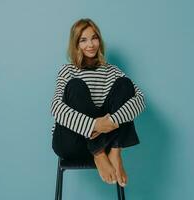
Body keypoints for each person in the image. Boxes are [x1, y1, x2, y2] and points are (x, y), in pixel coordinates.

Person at [50, 18, 145, 187]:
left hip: (106, 137)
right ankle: (99, 153)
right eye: (83, 40)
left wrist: (111, 122)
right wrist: (94, 125)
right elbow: (56, 108)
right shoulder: (67, 70)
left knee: (125, 85)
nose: (90, 45)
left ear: (99, 40)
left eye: (94, 38)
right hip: (71, 142)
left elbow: (140, 100)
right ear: (76, 44)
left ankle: (115, 153)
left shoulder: (112, 71)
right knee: (75, 86)